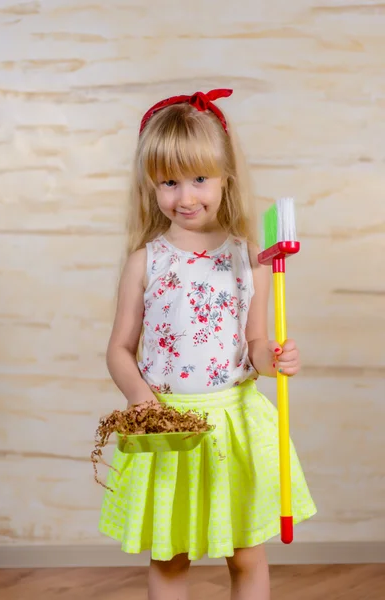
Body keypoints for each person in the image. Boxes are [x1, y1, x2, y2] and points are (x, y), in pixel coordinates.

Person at [99, 88, 317, 600]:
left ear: (225, 179)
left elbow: (256, 342)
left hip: (234, 425)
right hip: (171, 427)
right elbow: (119, 349)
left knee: (246, 555)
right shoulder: (146, 261)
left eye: (200, 178)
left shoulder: (250, 259)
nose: (186, 196)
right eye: (169, 182)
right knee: (170, 557)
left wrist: (274, 358)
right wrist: (145, 404)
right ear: (150, 185)